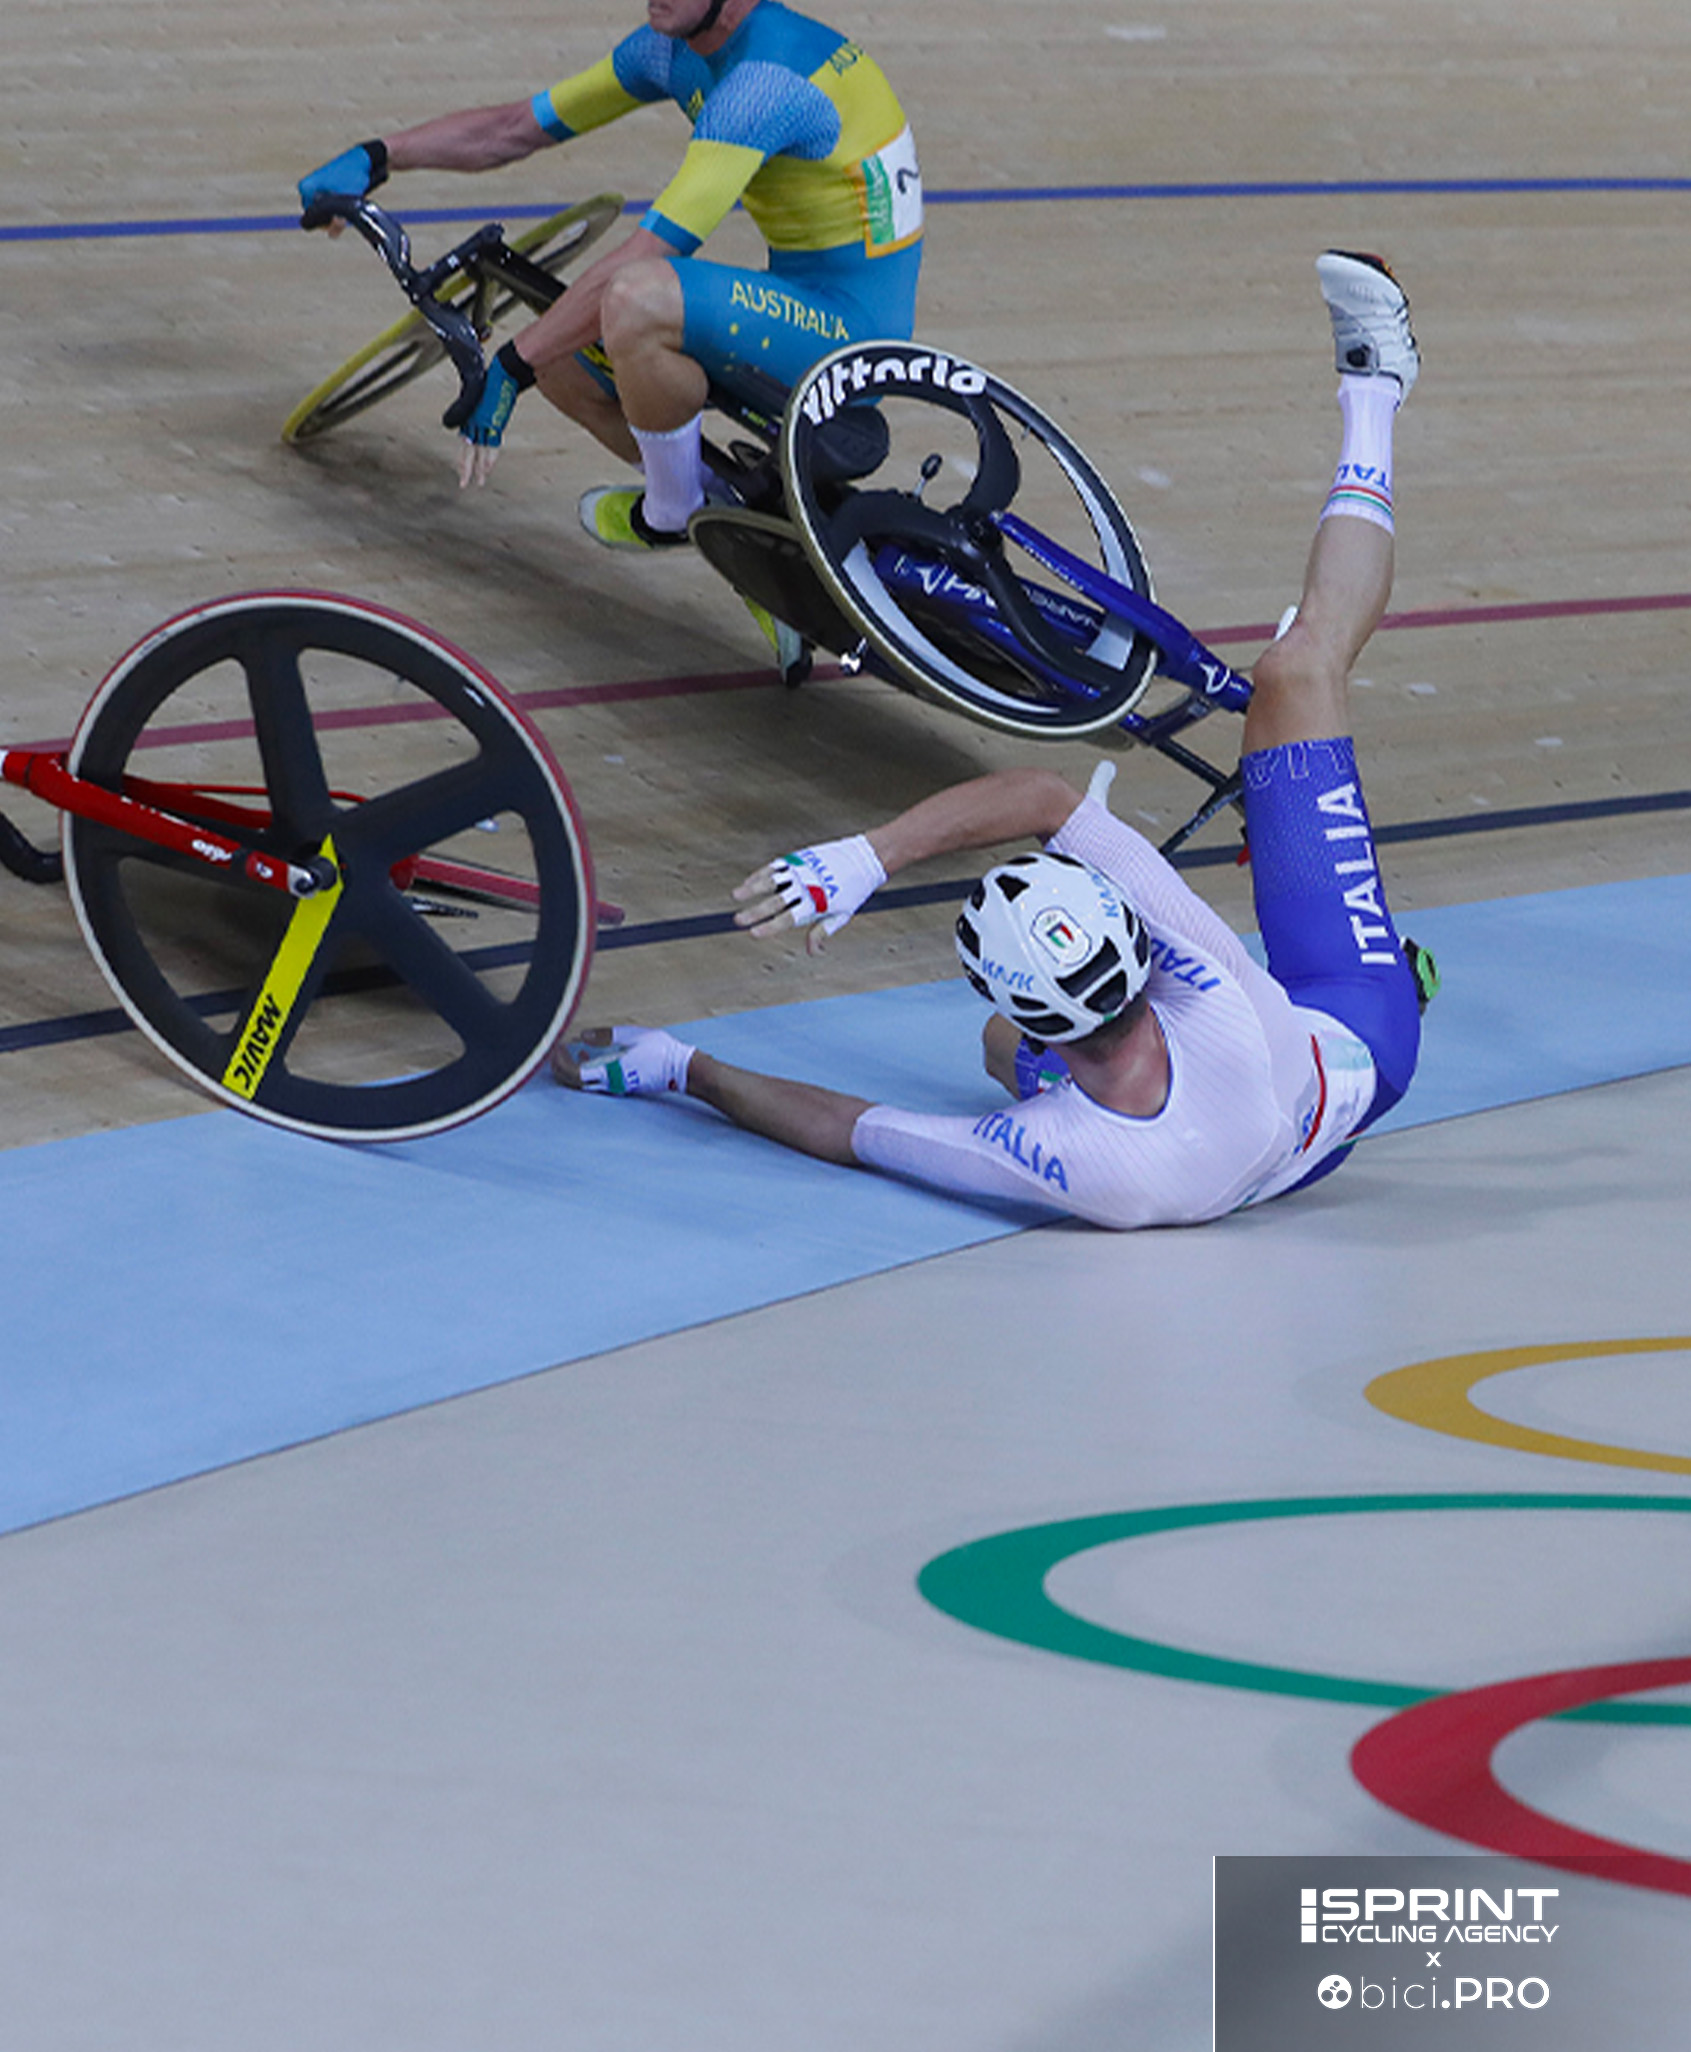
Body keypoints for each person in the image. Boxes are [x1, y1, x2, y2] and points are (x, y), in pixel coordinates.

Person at [551, 252, 1430, 1230]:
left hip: (1241, 1127)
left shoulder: (1076, 1161)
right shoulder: (1214, 997)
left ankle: (1373, 391)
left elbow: (854, 1131)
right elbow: (1048, 808)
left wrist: (700, 1063)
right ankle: (1374, 387)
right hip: (1354, 1030)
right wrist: (685, 1063)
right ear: (1139, 960)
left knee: (994, 1046)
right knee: (1294, 671)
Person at [297, 0, 924, 558]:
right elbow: (515, 129)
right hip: (803, 299)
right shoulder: (672, 44)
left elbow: (652, 251)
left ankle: (675, 515)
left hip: (849, 340)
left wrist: (511, 366)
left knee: (633, 297)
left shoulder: (765, 83)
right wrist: (378, 156)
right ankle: (728, 525)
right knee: (562, 357)